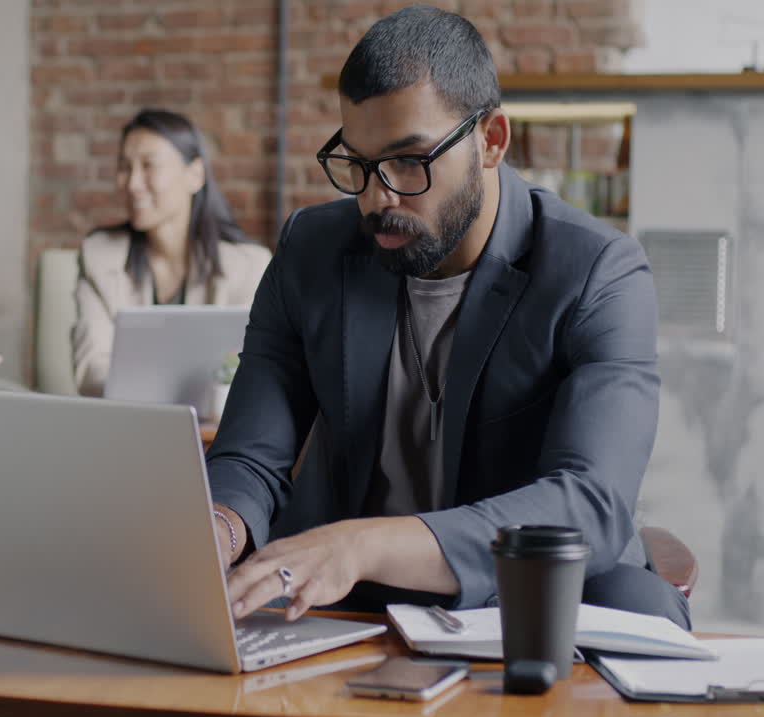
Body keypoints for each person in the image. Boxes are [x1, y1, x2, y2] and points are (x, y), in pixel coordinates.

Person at [207, 5, 689, 629]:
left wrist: (362, 544)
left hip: (525, 594)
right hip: (353, 596)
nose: (378, 197)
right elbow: (250, 456)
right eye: (358, 162)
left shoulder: (598, 271)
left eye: (410, 161)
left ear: (490, 140)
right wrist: (218, 530)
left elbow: (589, 504)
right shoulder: (313, 250)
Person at [71, 108, 272, 397]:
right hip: (126, 425)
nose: (131, 183)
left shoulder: (248, 266)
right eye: (125, 167)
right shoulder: (99, 255)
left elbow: (251, 372)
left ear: (195, 174)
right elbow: (90, 371)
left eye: (148, 166)